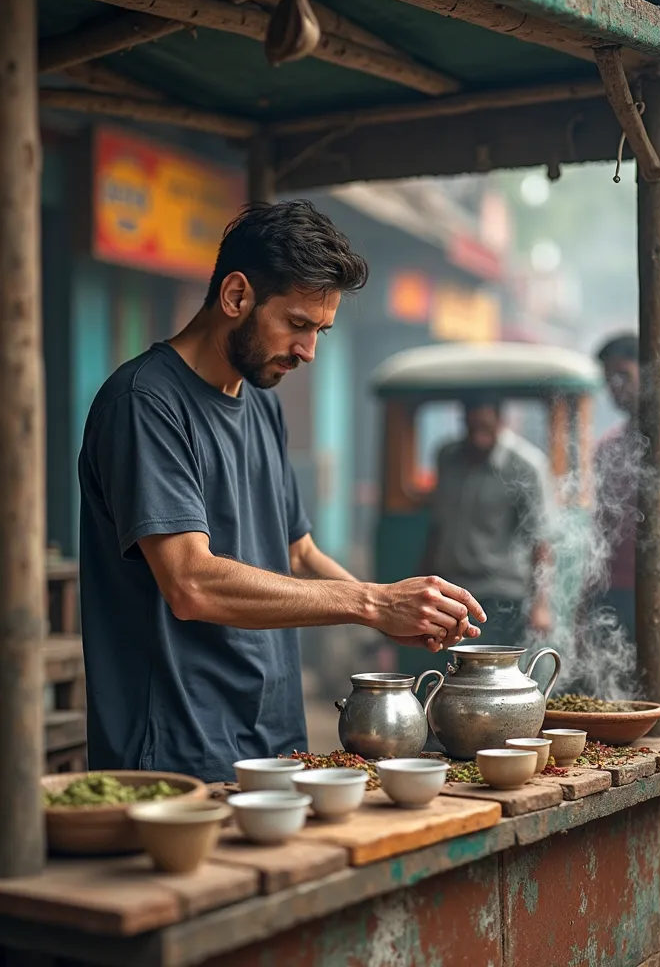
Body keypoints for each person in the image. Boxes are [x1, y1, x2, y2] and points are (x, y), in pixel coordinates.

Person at [78, 200, 486, 784]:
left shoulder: (261, 404)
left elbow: (298, 553)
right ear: (236, 296)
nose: (308, 351)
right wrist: (372, 602)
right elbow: (190, 582)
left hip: (273, 739)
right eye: (297, 324)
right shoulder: (145, 404)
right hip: (175, 754)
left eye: (320, 331)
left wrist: (395, 616)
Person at [595, 332, 660, 947]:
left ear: (647, 376)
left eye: (624, 375)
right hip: (617, 611)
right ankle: (641, 878)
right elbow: (601, 545)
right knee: (625, 748)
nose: (616, 388)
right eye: (609, 379)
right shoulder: (609, 449)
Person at [422, 397, 551, 646]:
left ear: (501, 422)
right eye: (471, 428)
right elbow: (437, 526)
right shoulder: (447, 457)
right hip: (450, 588)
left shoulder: (525, 466)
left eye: (485, 427)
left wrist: (541, 604)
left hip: (501, 593)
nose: (477, 437)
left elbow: (540, 541)